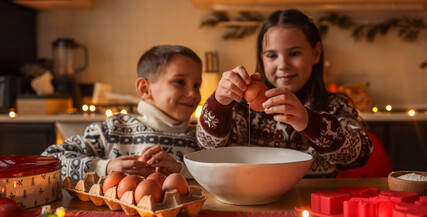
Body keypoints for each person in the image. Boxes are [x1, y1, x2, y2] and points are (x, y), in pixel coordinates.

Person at [196, 9, 373, 177]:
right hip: (251, 202)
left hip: (311, 203)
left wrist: (308, 121)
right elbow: (207, 149)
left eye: (294, 53)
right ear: (261, 58)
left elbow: (358, 154)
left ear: (316, 53)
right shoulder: (241, 107)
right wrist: (219, 103)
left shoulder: (334, 106)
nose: (283, 65)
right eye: (272, 56)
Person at [42, 45, 202, 181]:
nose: (193, 94)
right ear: (144, 89)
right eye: (179, 82)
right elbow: (49, 162)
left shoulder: (200, 140)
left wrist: (181, 169)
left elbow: (223, 172)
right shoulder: (113, 131)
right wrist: (104, 167)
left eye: (196, 85)